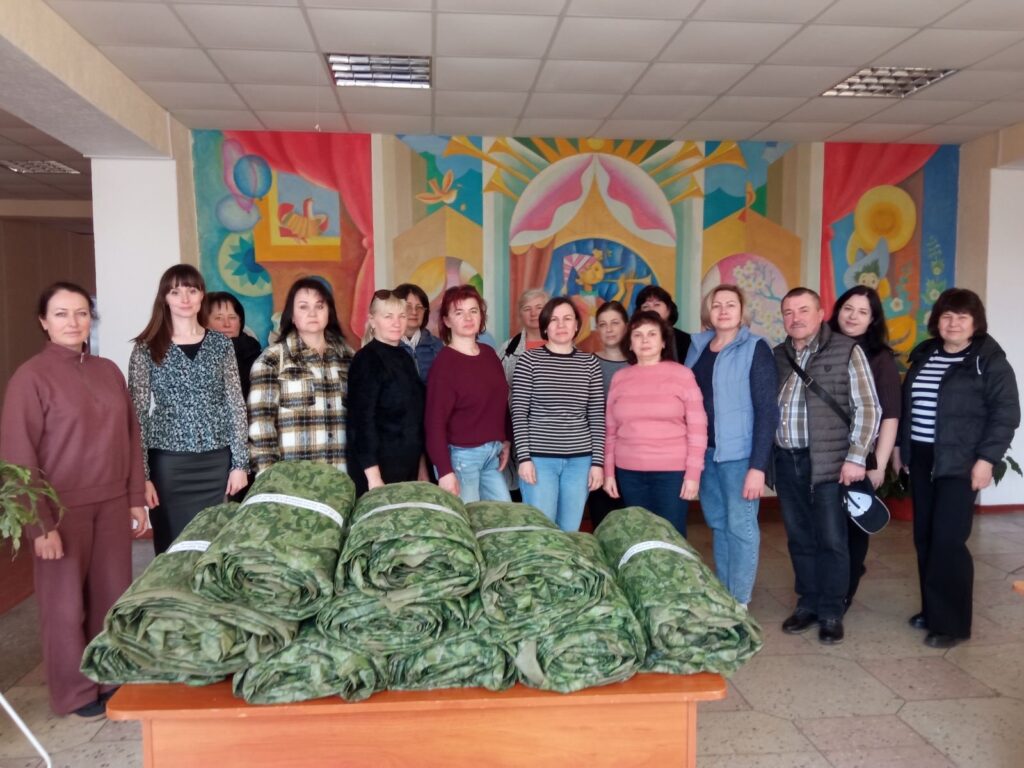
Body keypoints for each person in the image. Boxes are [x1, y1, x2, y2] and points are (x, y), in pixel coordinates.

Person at [0, 283, 148, 719]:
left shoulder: (108, 370)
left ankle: (110, 677)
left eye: (81, 313)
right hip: (60, 512)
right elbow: (18, 458)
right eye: (61, 314)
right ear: (44, 322)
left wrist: (135, 497)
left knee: (111, 596)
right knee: (64, 607)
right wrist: (39, 525)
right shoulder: (30, 377)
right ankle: (75, 692)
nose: (73, 322)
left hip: (112, 502)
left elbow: (131, 435)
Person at [895, 288, 1019, 648]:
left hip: (961, 462)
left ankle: (952, 625)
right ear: (937, 321)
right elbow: (908, 406)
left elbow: (1006, 414)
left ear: (975, 322)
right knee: (925, 537)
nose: (953, 323)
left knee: (948, 541)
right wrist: (902, 449)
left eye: (962, 317)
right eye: (947, 316)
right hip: (922, 458)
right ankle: (933, 610)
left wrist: (986, 460)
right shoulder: (925, 355)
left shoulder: (988, 361)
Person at [773, 287, 880, 645]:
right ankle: (808, 603)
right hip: (787, 460)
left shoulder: (847, 350)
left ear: (821, 314)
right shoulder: (778, 355)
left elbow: (869, 407)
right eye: (788, 312)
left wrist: (856, 457)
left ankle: (832, 611)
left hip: (831, 462)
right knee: (799, 537)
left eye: (803, 310)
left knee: (832, 540)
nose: (795, 318)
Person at [129, 265, 249, 554]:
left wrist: (240, 464)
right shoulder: (146, 348)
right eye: (175, 292)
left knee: (214, 544)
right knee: (174, 547)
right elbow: (137, 416)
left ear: (201, 295)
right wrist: (142, 476)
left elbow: (235, 404)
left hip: (217, 461)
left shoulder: (221, 344)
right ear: (165, 298)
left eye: (191, 290)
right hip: (168, 464)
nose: (184, 298)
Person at [685, 285, 778, 606]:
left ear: (742, 311)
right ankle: (725, 594)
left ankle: (739, 600)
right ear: (708, 312)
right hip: (706, 454)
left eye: (730, 304)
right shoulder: (697, 348)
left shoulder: (755, 348)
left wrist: (758, 467)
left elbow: (767, 411)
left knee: (741, 527)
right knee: (718, 525)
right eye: (717, 305)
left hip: (740, 456)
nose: (723, 310)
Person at [827, 286, 901, 611]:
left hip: (861, 457)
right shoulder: (821, 347)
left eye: (862, 312)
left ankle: (845, 591)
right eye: (848, 308)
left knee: (853, 527)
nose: (853, 316)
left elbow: (890, 415)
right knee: (825, 528)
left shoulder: (879, 358)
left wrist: (879, 465)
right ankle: (825, 585)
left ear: (873, 320)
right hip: (823, 455)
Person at [604, 310, 707, 536]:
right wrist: (608, 473)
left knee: (671, 536)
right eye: (637, 335)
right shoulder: (620, 378)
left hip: (672, 473)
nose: (645, 340)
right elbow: (610, 432)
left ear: (663, 342)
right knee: (638, 535)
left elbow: (698, 429)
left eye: (652, 334)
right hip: (628, 473)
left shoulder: (682, 375)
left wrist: (693, 475)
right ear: (630, 343)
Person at [511, 296, 604, 531]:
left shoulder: (590, 364)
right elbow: (519, 413)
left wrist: (597, 463)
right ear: (545, 326)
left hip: (580, 460)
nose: (561, 325)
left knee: (570, 530)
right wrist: (524, 459)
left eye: (567, 319)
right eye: (554, 320)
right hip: (539, 460)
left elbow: (596, 416)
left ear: (576, 325)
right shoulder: (529, 360)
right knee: (541, 530)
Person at [248, 278, 354, 476]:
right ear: (292, 316)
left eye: (319, 306)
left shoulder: (349, 358)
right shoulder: (272, 359)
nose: (312, 313)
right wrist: (269, 478)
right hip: (293, 480)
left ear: (329, 312)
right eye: (303, 307)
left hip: (343, 479)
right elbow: (261, 426)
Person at [425, 285, 511, 503]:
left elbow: (500, 402)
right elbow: (434, 422)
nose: (468, 318)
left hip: (492, 454)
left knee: (502, 514)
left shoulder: (490, 355)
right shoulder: (445, 363)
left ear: (481, 316)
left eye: (473, 311)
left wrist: (505, 439)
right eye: (459, 312)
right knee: (469, 518)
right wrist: (444, 471)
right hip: (462, 457)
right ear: (446, 321)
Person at [347, 289, 428, 497]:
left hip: (407, 468)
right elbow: (360, 424)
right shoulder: (366, 359)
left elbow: (415, 419)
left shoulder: (404, 357)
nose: (396, 323)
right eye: (388, 316)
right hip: (379, 472)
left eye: (401, 316)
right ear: (372, 321)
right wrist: (374, 478)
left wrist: (422, 467)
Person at [500, 288, 548, 499]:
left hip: (551, 437)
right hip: (515, 432)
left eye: (539, 307)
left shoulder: (564, 347)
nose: (533, 313)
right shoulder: (507, 350)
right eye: (527, 309)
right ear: (520, 314)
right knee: (518, 492)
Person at [588, 301, 629, 528]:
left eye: (615, 323)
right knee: (602, 522)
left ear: (627, 326)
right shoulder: (588, 363)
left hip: (631, 454)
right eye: (603, 324)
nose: (609, 329)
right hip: (598, 454)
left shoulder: (638, 365)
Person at [206, 291, 262, 400]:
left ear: (240, 321)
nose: (227, 324)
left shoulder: (257, 357)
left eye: (232, 317)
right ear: (204, 323)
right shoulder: (197, 356)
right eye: (219, 318)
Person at [394, 282, 444, 384]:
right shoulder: (387, 346)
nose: (414, 312)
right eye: (408, 307)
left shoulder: (438, 346)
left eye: (419, 307)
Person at [635, 284, 691, 362]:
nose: (651, 310)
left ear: (669, 310)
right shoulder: (635, 338)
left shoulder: (685, 340)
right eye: (645, 306)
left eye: (657, 305)